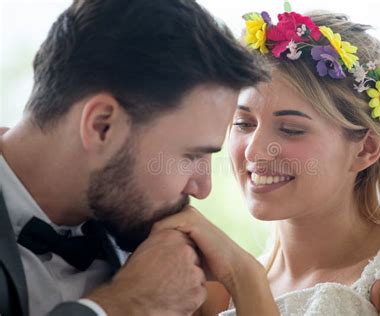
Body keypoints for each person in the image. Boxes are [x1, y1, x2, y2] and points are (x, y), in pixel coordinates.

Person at [155, 7, 380, 316]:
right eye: (243, 124)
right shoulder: (212, 291)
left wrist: (247, 281)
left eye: (291, 129)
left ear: (366, 150)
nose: (254, 151)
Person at [0, 0, 272, 315]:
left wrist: (246, 276)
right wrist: (119, 306)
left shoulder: (156, 254)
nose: (202, 188)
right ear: (102, 125)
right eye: (191, 155)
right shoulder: (144, 286)